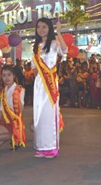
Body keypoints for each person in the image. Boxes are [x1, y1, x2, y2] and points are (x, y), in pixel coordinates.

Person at [31, 18, 67, 159]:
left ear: (49, 28)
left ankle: (51, 147)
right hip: (39, 84)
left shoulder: (54, 43)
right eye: (38, 27)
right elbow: (34, 68)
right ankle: (41, 146)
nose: (41, 29)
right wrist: (37, 81)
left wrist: (59, 32)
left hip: (50, 82)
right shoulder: (36, 47)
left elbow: (65, 50)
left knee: (49, 115)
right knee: (39, 115)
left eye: (44, 27)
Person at [0, 65, 26, 151]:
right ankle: (12, 137)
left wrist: (16, 96)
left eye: (9, 75)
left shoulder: (19, 89)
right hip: (4, 120)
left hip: (13, 121)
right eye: (4, 75)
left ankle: (16, 135)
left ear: (14, 76)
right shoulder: (3, 91)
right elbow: (1, 109)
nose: (6, 78)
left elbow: (21, 109)